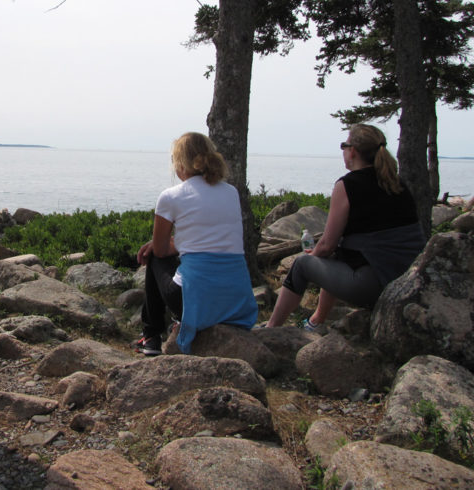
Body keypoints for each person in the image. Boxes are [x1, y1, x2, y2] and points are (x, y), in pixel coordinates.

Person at [265, 123, 426, 329]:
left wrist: (311, 260)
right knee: (337, 258)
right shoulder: (397, 183)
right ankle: (316, 321)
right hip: (411, 282)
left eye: (344, 145)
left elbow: (326, 245)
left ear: (353, 152)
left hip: (375, 286)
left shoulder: (348, 185)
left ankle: (271, 328)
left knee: (302, 264)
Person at [134, 132, 258, 355]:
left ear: (181, 164)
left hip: (192, 300)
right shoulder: (231, 193)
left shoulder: (170, 196)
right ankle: (161, 331)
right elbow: (207, 240)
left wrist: (160, 245)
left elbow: (161, 250)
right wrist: (177, 243)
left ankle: (151, 336)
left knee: (154, 255)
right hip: (234, 300)